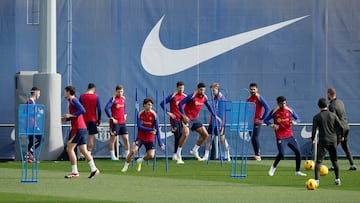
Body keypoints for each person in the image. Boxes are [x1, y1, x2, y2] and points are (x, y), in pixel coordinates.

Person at [174, 82, 219, 164]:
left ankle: (195, 150)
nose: (202, 91)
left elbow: (209, 107)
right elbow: (180, 104)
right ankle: (178, 154)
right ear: (198, 89)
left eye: (204, 90)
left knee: (205, 134)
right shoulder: (192, 96)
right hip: (186, 118)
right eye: (201, 90)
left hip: (194, 119)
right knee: (186, 134)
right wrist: (184, 115)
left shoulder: (204, 97)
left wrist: (215, 115)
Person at [61, 85, 100, 179]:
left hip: (78, 128)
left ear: (69, 92)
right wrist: (66, 118)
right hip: (81, 127)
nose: (64, 94)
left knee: (69, 148)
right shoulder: (71, 101)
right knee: (83, 150)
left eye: (65, 92)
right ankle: (94, 169)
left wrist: (70, 115)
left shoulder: (74, 100)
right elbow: (76, 115)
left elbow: (82, 110)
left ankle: (75, 172)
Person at [264, 96, 307, 177]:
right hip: (280, 136)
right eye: (281, 103)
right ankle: (273, 167)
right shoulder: (274, 111)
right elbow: (265, 120)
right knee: (282, 154)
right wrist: (272, 124)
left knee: (298, 152)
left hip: (289, 135)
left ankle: (297, 171)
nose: (283, 105)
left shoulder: (290, 110)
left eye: (284, 103)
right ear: (278, 103)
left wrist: (295, 122)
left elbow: (298, 119)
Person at [121, 98, 165, 172]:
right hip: (140, 137)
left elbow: (156, 129)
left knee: (151, 155)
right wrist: (150, 129)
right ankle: (126, 166)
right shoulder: (140, 114)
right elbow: (140, 126)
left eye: (151, 105)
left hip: (150, 138)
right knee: (133, 151)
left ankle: (140, 160)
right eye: (148, 105)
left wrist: (160, 143)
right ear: (144, 105)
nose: (150, 106)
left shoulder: (154, 115)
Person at [311, 98, 343, 186]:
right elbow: (341, 127)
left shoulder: (316, 117)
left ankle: (316, 181)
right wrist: (341, 136)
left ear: (318, 106)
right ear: (327, 105)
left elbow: (314, 130)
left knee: (318, 161)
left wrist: (312, 139)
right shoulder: (333, 115)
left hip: (323, 141)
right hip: (333, 140)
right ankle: (337, 179)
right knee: (334, 161)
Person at [327, 88, 357, 171]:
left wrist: (338, 133)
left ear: (329, 94)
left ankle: (334, 166)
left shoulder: (332, 105)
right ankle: (353, 165)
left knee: (332, 148)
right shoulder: (340, 102)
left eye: (327, 94)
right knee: (345, 147)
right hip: (346, 127)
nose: (327, 96)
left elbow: (334, 119)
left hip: (340, 129)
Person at [200, 82, 230, 162]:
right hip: (212, 122)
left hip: (219, 123)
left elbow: (222, 113)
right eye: (211, 91)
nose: (212, 92)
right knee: (209, 138)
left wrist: (222, 125)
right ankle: (206, 155)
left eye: (213, 91)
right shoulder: (214, 99)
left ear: (217, 89)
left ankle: (228, 155)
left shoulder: (222, 99)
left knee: (222, 139)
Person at [160, 81, 187, 160]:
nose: (181, 89)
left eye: (182, 88)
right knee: (177, 135)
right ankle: (175, 154)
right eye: (180, 88)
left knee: (182, 136)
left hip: (182, 120)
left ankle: (178, 152)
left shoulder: (185, 96)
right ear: (177, 88)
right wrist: (168, 113)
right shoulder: (173, 96)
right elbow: (162, 103)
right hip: (174, 119)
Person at [104, 85, 130, 161]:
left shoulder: (123, 99)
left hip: (122, 122)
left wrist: (125, 114)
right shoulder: (113, 99)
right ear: (116, 91)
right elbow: (106, 108)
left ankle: (127, 155)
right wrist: (111, 118)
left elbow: (124, 107)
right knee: (113, 140)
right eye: (119, 91)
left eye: (121, 91)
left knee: (126, 139)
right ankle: (113, 156)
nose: (120, 93)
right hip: (115, 123)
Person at [247, 83, 270, 161]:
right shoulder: (249, 99)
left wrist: (262, 118)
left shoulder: (259, 98)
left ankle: (258, 155)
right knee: (252, 138)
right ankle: (256, 154)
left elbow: (267, 108)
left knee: (255, 137)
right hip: (250, 122)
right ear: (249, 89)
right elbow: (248, 111)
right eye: (251, 89)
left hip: (257, 121)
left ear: (257, 89)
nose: (253, 91)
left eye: (254, 89)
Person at [79, 83, 102, 156]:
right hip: (92, 119)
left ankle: (82, 153)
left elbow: (79, 107)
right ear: (93, 89)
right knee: (91, 138)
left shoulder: (82, 96)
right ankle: (89, 154)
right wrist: (99, 119)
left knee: (81, 136)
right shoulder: (96, 97)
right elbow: (99, 109)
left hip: (83, 119)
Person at [25, 86, 43, 163]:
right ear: (35, 93)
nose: (39, 95)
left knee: (31, 141)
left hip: (30, 124)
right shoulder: (30, 102)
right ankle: (30, 153)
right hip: (30, 125)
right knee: (41, 138)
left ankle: (28, 156)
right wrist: (38, 113)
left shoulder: (32, 102)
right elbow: (31, 114)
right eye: (38, 93)